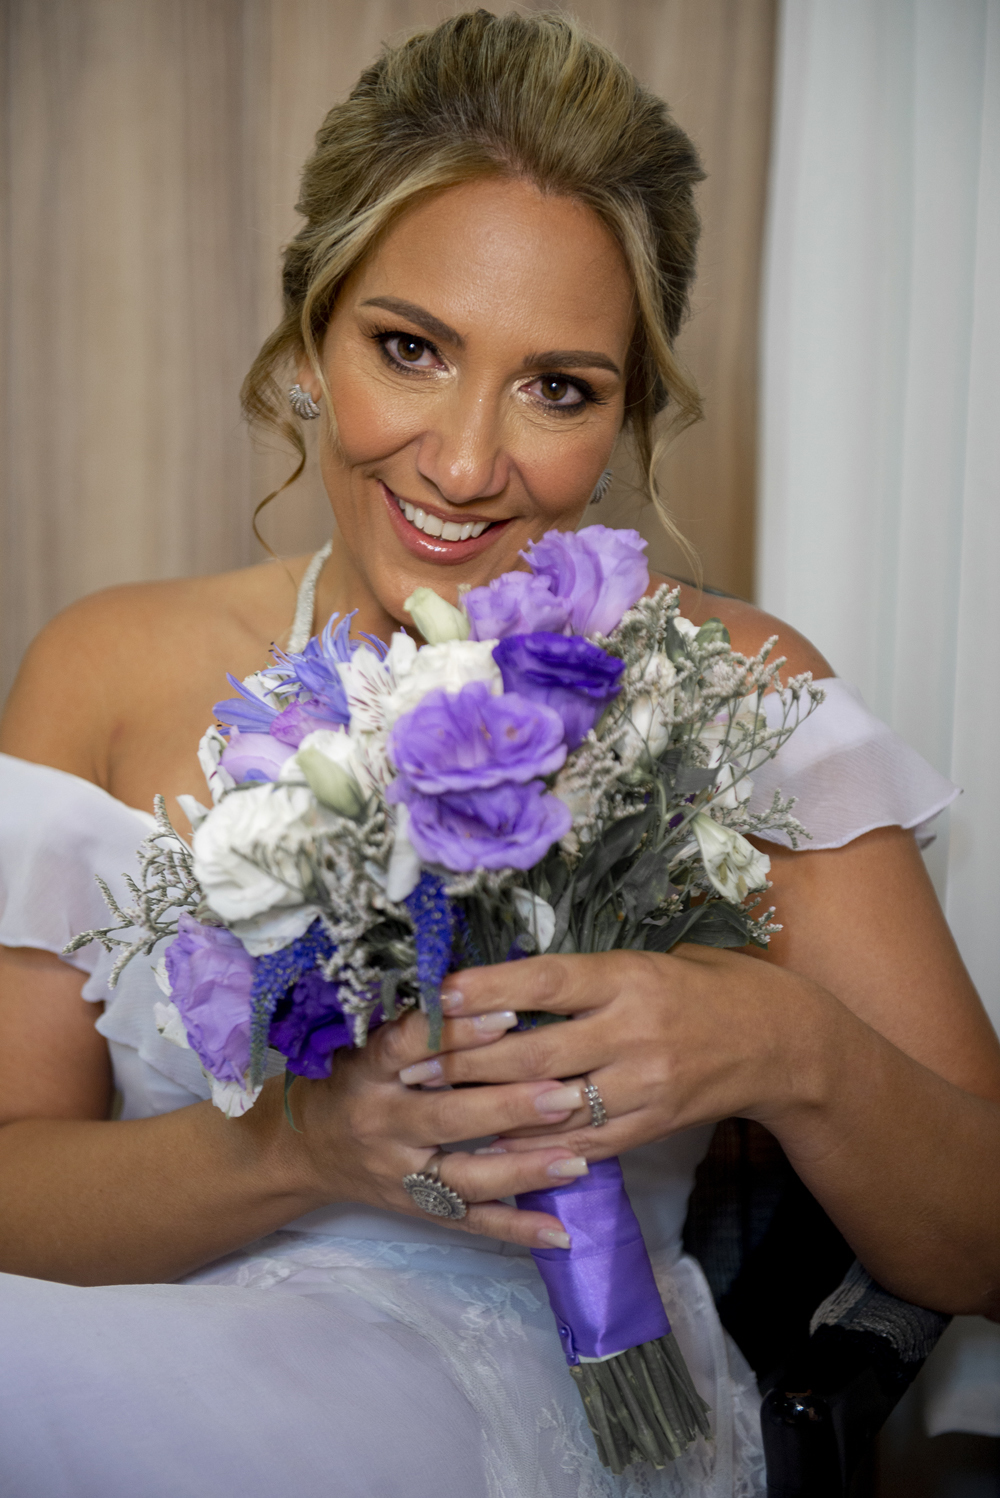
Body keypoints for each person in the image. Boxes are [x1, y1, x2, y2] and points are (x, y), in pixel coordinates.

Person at [0, 12, 997, 1497]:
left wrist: (778, 1042)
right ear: (308, 348)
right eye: (410, 348)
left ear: (628, 420)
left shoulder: (736, 696)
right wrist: (299, 1149)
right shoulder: (106, 666)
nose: (467, 465)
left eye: (559, 386)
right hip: (135, 1358)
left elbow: (979, 1244)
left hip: (543, 1406)